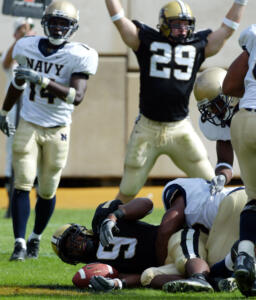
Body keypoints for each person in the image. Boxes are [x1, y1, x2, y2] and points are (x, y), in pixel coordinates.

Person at [104, 0, 247, 203]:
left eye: (186, 24)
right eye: (176, 24)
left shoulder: (196, 45)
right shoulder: (147, 41)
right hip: (147, 128)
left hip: (179, 128)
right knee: (127, 190)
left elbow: (227, 29)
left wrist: (241, 2)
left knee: (211, 184)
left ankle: (217, 229)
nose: (182, 29)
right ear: (163, 24)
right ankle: (104, 225)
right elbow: (119, 20)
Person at [0, 0, 98, 261]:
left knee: (47, 189)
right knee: (22, 182)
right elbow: (17, 82)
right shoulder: (26, 46)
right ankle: (19, 243)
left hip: (58, 129)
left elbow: (77, 97)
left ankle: (35, 238)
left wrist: (42, 79)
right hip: (29, 124)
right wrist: (3, 111)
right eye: (53, 22)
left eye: (63, 23)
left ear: (72, 27)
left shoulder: (79, 54)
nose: (57, 27)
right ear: (45, 23)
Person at [51, 178, 247, 292]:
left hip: (174, 239)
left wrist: (115, 216)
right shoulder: (99, 267)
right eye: (68, 249)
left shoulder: (101, 218)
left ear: (81, 230)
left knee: (185, 255)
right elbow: (133, 277)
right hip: (164, 266)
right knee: (148, 276)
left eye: (72, 239)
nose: (74, 246)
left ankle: (200, 278)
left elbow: (147, 204)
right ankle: (213, 283)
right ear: (71, 260)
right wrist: (117, 283)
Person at [222, 24, 256, 297]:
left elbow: (230, 85)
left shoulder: (254, 32)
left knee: (254, 200)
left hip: (243, 121)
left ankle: (245, 254)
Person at [1, 17, 35, 218]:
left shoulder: (39, 51)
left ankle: (36, 199)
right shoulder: (12, 52)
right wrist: (21, 39)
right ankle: (11, 201)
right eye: (22, 30)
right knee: (13, 154)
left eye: (30, 29)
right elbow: (6, 62)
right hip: (15, 111)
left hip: (35, 110)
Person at [193, 67, 239, 195]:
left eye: (214, 104)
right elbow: (225, 162)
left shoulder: (249, 107)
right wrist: (222, 177)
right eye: (208, 108)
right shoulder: (222, 119)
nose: (212, 111)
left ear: (227, 96)